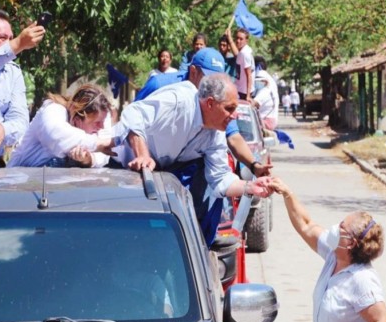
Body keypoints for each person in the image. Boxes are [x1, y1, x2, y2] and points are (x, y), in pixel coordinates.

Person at [112, 74, 274, 245]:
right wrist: (142, 154)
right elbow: (133, 113)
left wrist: (251, 187)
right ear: (210, 103)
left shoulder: (215, 134)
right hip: (120, 169)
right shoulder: (177, 101)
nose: (234, 116)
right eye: (230, 109)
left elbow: (220, 180)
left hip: (158, 177)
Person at [271, 177, 386, 322]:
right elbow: (306, 225)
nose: (335, 228)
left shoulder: (361, 279)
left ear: (351, 243)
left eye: (341, 227)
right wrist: (287, 193)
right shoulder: (335, 256)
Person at [134, 47, 272, 177]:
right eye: (209, 79)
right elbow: (133, 118)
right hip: (145, 165)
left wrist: (254, 166)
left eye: (217, 81)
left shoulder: (217, 105)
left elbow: (234, 138)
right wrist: (142, 154)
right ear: (193, 72)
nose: (214, 85)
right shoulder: (159, 84)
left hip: (187, 171)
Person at [0, 9, 46, 167]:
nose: (9, 44)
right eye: (2, 38)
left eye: (11, 38)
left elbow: (20, 121)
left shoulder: (13, 72)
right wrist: (18, 44)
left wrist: (3, 129)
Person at [8, 84, 114, 168]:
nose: (101, 127)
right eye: (96, 122)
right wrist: (98, 144)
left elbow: (105, 153)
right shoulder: (53, 110)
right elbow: (54, 135)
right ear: (76, 117)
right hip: (21, 184)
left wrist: (88, 159)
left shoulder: (96, 129)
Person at [226, 28, 255, 102]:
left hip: (244, 93)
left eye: (241, 39)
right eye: (237, 38)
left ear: (246, 40)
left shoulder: (245, 54)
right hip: (240, 89)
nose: (238, 41)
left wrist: (248, 96)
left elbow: (249, 75)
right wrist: (229, 38)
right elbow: (237, 55)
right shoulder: (243, 51)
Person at [253, 56, 279, 130]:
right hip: (271, 118)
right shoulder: (269, 78)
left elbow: (256, 101)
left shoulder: (260, 77)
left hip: (265, 121)